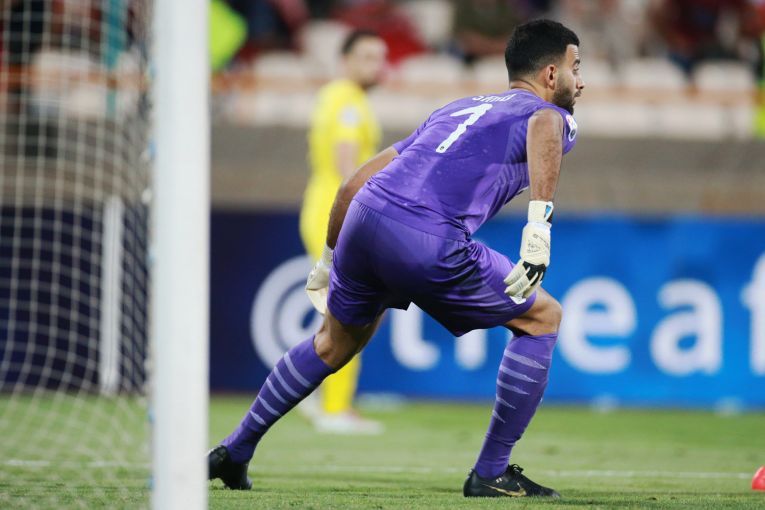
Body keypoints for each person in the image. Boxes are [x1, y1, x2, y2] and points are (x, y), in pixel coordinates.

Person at [209, 19, 585, 498]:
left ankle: (235, 449)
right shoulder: (552, 114)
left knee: (331, 343)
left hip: (363, 219)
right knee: (542, 318)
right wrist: (538, 228)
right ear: (551, 75)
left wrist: (328, 259)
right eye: (576, 68)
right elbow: (546, 124)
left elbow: (353, 183)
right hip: (426, 235)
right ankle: (491, 471)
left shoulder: (457, 108)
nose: (581, 81)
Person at [298, 29, 387, 435]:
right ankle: (334, 407)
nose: (376, 65)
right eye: (367, 56)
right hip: (338, 210)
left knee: (343, 307)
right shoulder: (348, 101)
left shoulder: (336, 96)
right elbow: (347, 163)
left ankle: (319, 395)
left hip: (324, 205)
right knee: (352, 308)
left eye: (380, 57)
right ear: (345, 60)